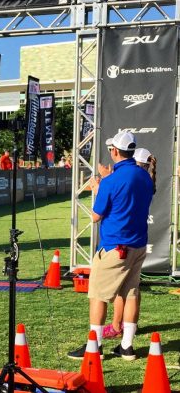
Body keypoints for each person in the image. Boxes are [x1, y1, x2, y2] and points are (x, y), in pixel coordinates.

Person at [67, 131, 153, 361]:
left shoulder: (111, 181)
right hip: (138, 244)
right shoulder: (144, 176)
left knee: (98, 295)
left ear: (114, 151)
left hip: (116, 246)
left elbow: (96, 216)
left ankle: (94, 347)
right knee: (132, 293)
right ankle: (127, 346)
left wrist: (99, 187)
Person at [102, 147, 157, 340]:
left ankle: (118, 325)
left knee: (120, 290)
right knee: (132, 289)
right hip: (138, 242)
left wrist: (105, 183)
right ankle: (127, 330)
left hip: (121, 243)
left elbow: (104, 211)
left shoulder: (131, 179)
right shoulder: (146, 181)